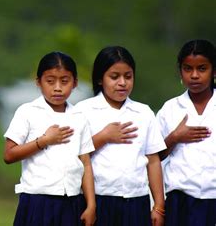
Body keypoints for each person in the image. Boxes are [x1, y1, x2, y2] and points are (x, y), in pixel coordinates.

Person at [74, 46, 166, 226]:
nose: (122, 82)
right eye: (114, 77)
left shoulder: (143, 112)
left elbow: (153, 160)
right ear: (100, 78)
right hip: (99, 198)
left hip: (136, 200)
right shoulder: (83, 111)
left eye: (128, 76)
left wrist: (159, 205)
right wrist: (103, 137)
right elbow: (75, 156)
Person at [3, 51, 96, 226]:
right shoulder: (28, 112)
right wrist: (44, 141)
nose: (58, 88)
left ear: (75, 83)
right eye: (50, 81)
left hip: (72, 200)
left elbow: (85, 162)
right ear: (38, 82)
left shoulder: (79, 116)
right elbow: (9, 155)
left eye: (65, 81)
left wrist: (91, 205)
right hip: (37, 201)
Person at [157, 39, 216, 226]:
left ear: (214, 71)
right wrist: (175, 137)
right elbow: (153, 156)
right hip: (180, 200)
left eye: (202, 68)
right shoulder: (171, 108)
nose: (195, 75)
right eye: (188, 69)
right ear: (180, 71)